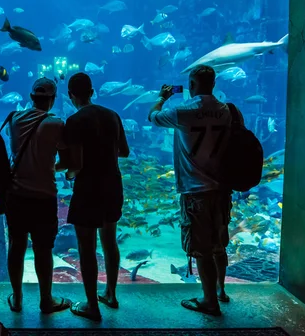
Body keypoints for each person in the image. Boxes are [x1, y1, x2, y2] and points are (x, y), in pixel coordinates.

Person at [148, 65, 240, 317]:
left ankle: (209, 301)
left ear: (191, 83)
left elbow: (152, 117)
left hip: (195, 190)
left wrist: (162, 97)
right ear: (213, 83)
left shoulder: (183, 112)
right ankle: (221, 290)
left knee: (202, 249)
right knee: (219, 243)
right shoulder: (226, 110)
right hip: (222, 190)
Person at [62, 73, 130, 322]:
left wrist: (67, 171)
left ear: (71, 95)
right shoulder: (112, 115)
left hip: (89, 187)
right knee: (110, 241)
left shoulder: (75, 120)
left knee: (86, 247)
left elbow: (76, 163)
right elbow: (124, 151)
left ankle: (92, 305)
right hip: (113, 184)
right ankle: (110, 294)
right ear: (92, 91)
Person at [3, 78, 72, 314]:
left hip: (16, 194)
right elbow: (66, 160)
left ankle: (18, 297)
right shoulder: (55, 123)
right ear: (52, 100)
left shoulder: (14, 118)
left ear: (31, 97)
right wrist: (52, 166)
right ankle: (45, 300)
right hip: (43, 196)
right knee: (43, 249)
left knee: (16, 245)